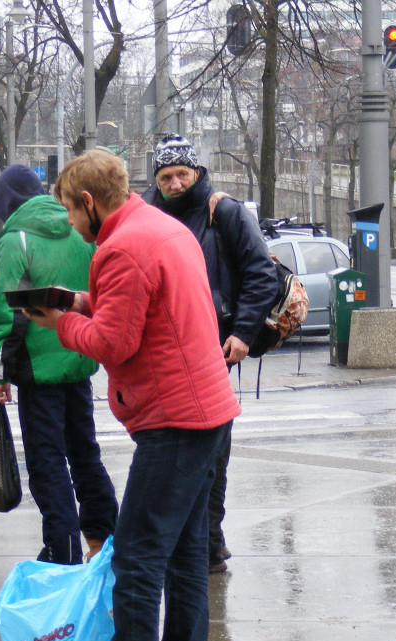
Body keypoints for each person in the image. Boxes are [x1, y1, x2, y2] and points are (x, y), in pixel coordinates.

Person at [27, 150, 240, 641]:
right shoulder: (160, 229)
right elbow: (141, 306)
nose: (71, 224)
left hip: (174, 417)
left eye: (71, 213)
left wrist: (62, 323)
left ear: (89, 202)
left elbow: (113, 344)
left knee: (139, 550)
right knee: (187, 548)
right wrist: (80, 301)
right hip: (207, 409)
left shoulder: (119, 246)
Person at [142, 134, 277, 573]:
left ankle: (208, 542)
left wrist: (242, 332)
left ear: (197, 172)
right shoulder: (147, 217)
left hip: (215, 347)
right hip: (164, 349)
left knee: (211, 452)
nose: (176, 183)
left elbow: (261, 275)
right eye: (166, 176)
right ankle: (193, 540)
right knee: (174, 451)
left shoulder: (226, 213)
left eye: (183, 173)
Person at [0, 164, 118, 564]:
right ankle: (107, 537)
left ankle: (62, 549)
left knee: (47, 462)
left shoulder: (15, 241)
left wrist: (0, 372)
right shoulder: (79, 231)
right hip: (79, 358)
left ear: (5, 205)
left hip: (37, 371)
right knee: (85, 454)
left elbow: (5, 314)